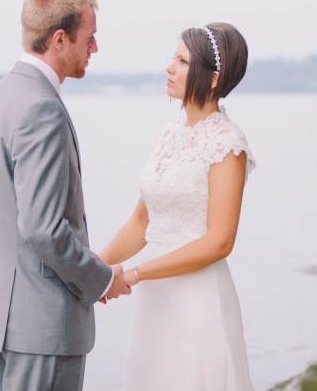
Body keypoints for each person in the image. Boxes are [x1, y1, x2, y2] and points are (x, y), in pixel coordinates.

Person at [0, 0, 131, 391]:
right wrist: (100, 279)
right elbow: (43, 229)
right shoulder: (41, 109)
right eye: (89, 38)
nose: (94, 49)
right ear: (59, 39)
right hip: (42, 326)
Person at [99, 22, 256, 390]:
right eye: (173, 58)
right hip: (156, 303)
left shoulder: (227, 143)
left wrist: (134, 274)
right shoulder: (168, 134)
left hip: (197, 303)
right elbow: (141, 222)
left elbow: (220, 242)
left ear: (213, 78)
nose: (170, 68)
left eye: (182, 61)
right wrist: (92, 271)